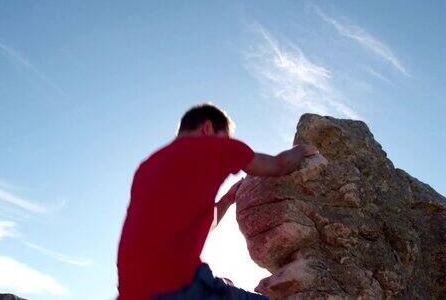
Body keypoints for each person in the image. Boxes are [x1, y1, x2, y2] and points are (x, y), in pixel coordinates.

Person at [117, 103, 319, 299]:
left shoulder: (147, 167)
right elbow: (279, 165)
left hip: (132, 292)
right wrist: (302, 150)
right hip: (181, 286)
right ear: (207, 127)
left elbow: (191, 224)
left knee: (224, 283)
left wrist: (227, 199)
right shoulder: (217, 148)